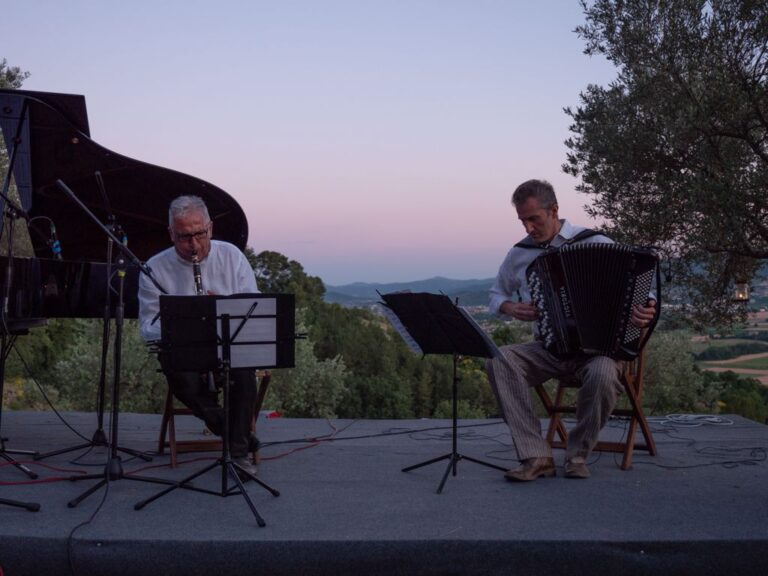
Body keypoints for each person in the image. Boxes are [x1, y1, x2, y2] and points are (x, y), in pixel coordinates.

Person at [486, 179, 656, 481]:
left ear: (554, 210)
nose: (527, 229)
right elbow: (496, 295)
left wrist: (648, 306)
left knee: (604, 374)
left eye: (533, 219)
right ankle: (536, 455)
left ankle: (577, 454)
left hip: (600, 352)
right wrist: (510, 308)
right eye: (522, 221)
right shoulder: (519, 254)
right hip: (549, 349)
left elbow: (646, 285)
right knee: (499, 360)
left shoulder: (596, 242)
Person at [138, 195, 260, 476]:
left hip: (229, 344)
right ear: (171, 234)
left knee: (243, 376)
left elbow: (253, 306)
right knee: (184, 381)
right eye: (183, 237)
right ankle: (238, 436)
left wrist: (223, 310)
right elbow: (147, 328)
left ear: (210, 228)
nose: (193, 244)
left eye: (199, 234)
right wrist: (182, 319)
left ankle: (238, 455)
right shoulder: (154, 268)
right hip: (185, 350)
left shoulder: (231, 257)